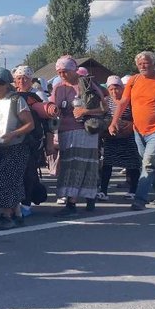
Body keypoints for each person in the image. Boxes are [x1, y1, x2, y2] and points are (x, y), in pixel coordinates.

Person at [109, 51, 155, 210]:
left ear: (153, 63)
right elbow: (123, 102)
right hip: (139, 130)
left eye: (145, 63)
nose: (142, 66)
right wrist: (113, 122)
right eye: (139, 64)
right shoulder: (134, 80)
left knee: (148, 163)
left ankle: (140, 199)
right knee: (150, 163)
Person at [49, 55, 106, 217]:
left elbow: (104, 106)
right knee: (68, 166)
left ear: (73, 70)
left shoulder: (86, 84)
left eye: (65, 71)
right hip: (65, 131)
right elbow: (52, 105)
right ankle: (89, 195)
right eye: (59, 72)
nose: (62, 75)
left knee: (80, 165)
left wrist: (86, 111)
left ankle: (72, 203)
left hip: (84, 130)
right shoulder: (58, 87)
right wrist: (52, 109)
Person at [0, 68, 34, 230]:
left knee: (6, 181)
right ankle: (18, 214)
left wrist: (12, 134)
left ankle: (6, 215)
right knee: (11, 181)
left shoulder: (15, 100)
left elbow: (29, 124)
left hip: (17, 147)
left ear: (6, 85)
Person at [12, 65, 53, 215]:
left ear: (31, 80)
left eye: (25, 78)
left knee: (29, 172)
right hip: (15, 140)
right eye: (19, 78)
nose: (22, 81)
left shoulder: (38, 96)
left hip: (33, 141)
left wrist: (49, 143)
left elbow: (49, 123)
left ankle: (27, 204)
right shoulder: (11, 95)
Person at [99, 75, 140, 201]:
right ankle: (103, 191)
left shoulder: (130, 100)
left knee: (132, 163)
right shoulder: (105, 101)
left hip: (128, 135)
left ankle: (133, 190)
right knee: (107, 164)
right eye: (111, 89)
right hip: (111, 136)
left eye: (117, 88)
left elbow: (138, 116)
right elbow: (101, 117)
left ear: (122, 88)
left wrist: (131, 125)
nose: (114, 91)